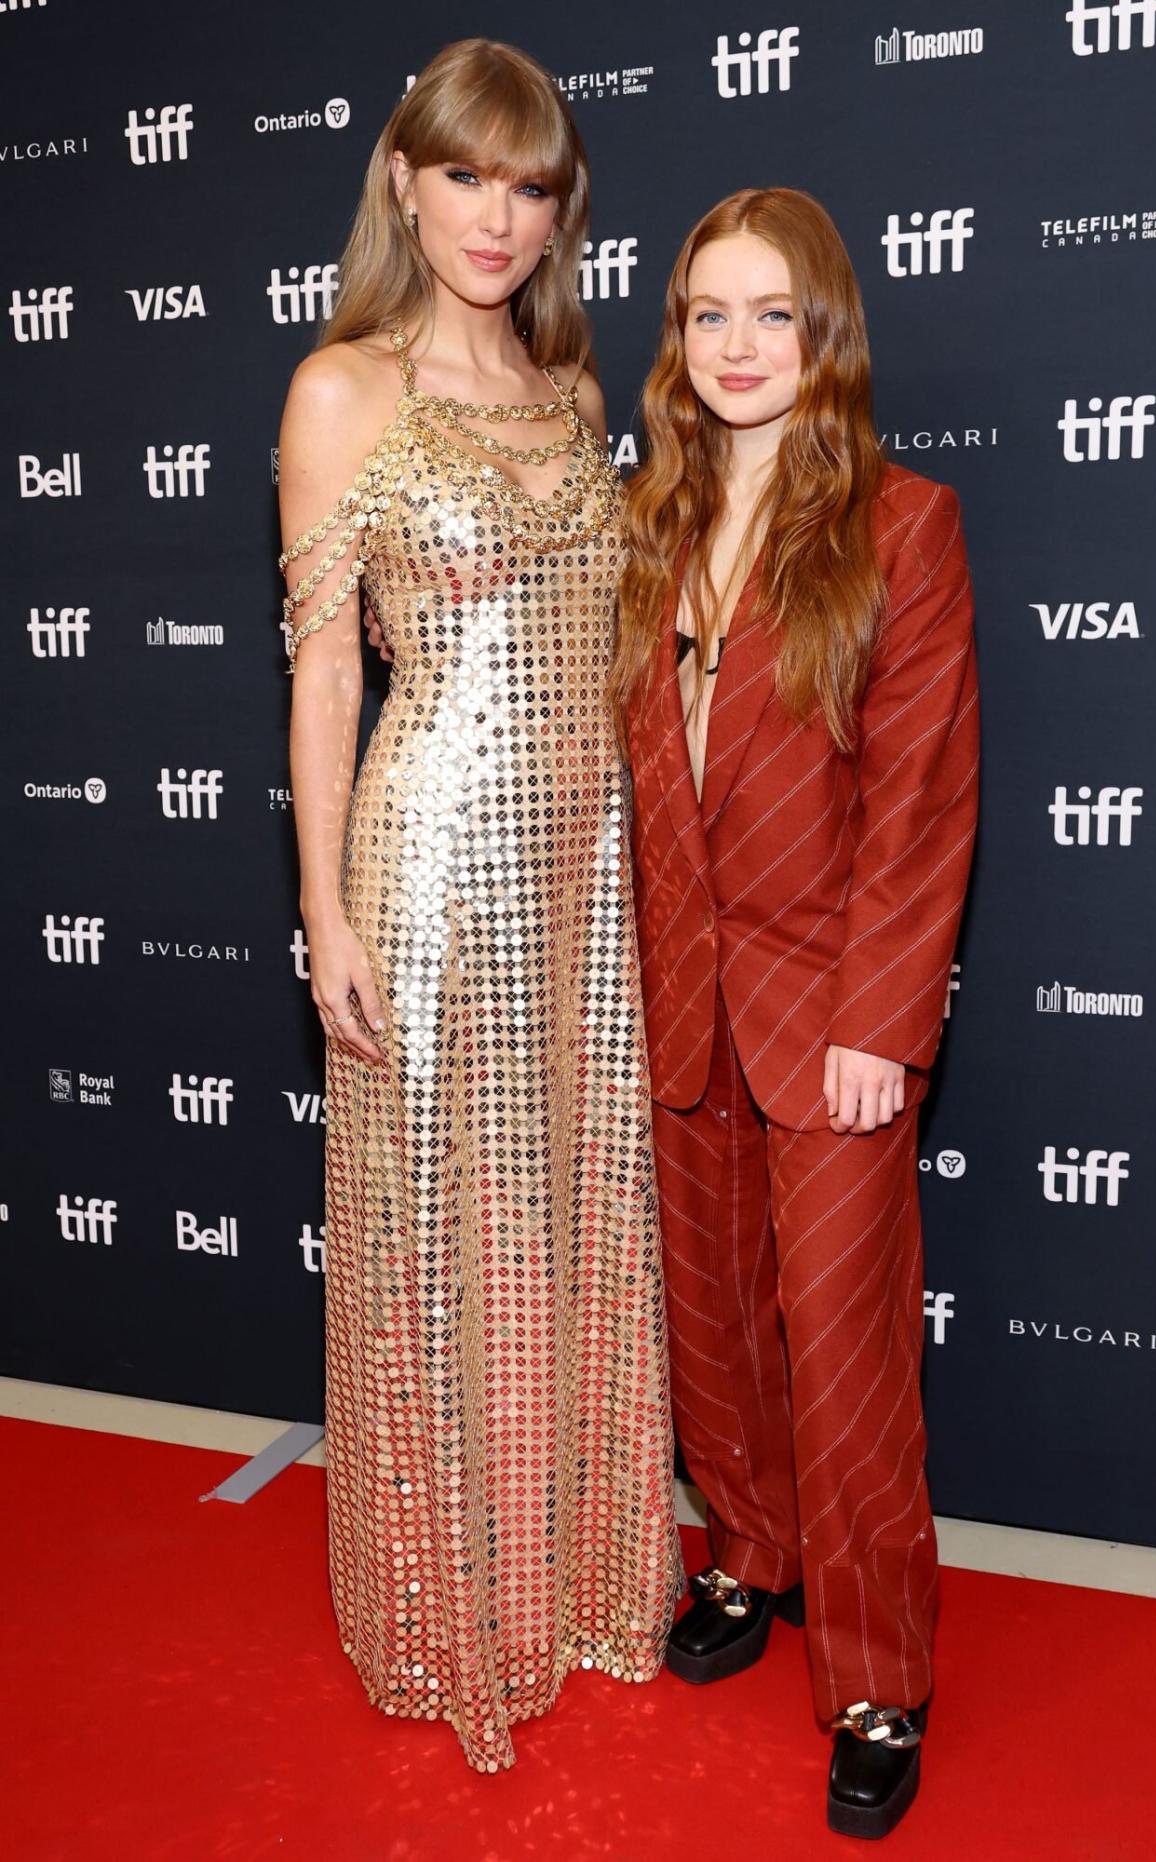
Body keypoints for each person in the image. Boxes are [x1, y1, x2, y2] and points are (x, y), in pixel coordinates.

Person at [276, 38, 681, 1774]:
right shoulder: (342, 392)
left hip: (585, 880)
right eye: (465, 177)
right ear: (404, 182)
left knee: (570, 1220)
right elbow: (316, 681)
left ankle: (582, 1567)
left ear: (556, 205)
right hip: (428, 864)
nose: (495, 217)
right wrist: (325, 912)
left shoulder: (577, 391)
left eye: (529, 186)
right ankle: (453, 1604)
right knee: (439, 1230)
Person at [610, 188, 979, 1838]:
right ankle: (749, 1555)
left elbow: (918, 800)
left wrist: (882, 1019)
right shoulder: (644, 524)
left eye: (771, 313)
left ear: (822, 332)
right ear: (674, 339)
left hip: (829, 1009)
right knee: (712, 1330)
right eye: (707, 313)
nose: (738, 345)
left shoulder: (902, 523)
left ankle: (876, 1670)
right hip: (679, 998)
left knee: (838, 1355)